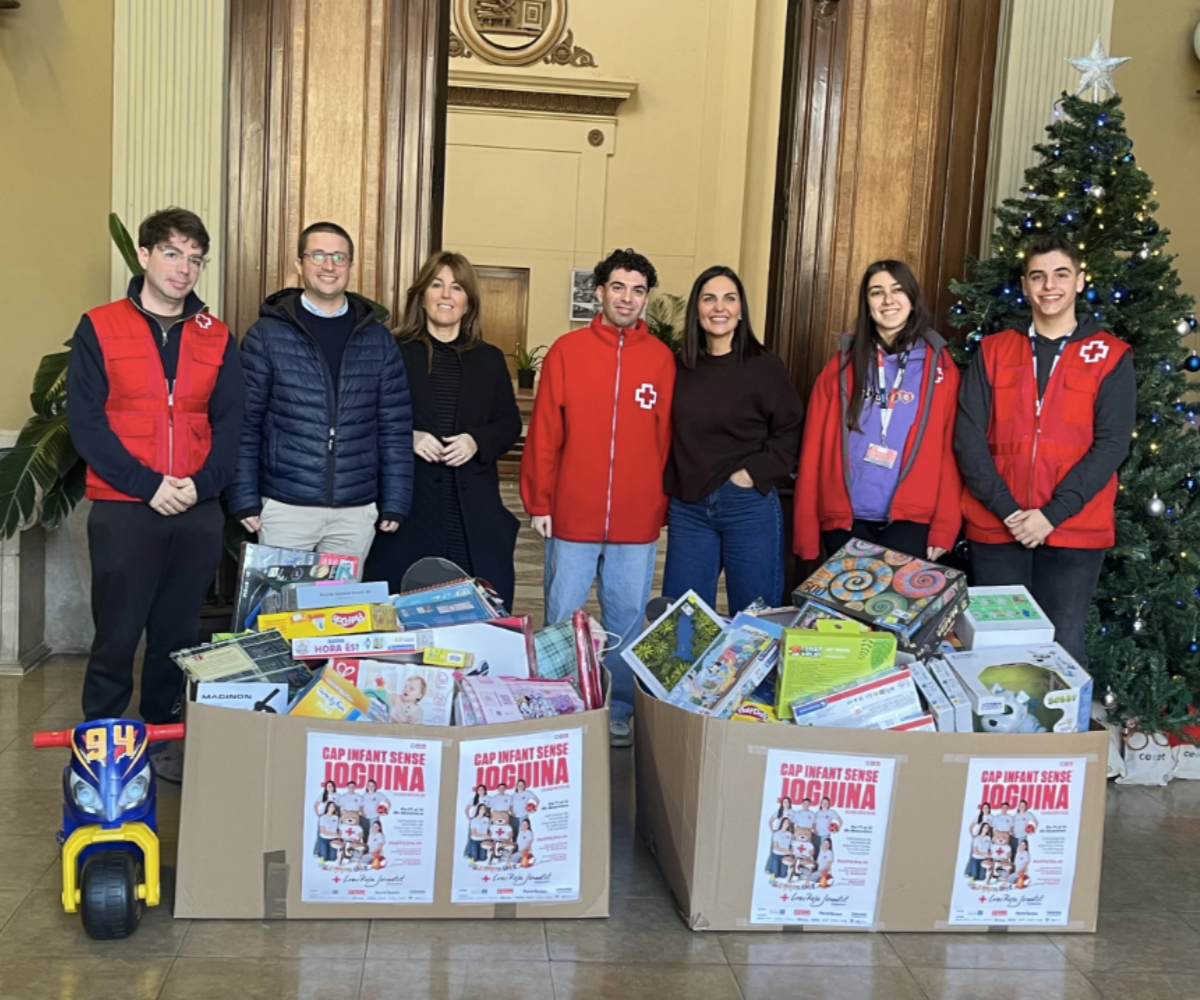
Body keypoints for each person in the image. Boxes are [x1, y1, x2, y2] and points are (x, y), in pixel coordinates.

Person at [66, 207, 244, 784]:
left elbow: (232, 425)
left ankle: (161, 739)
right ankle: (100, 742)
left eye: (195, 258)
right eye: (172, 253)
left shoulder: (215, 336)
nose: (184, 268)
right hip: (125, 508)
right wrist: (149, 486)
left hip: (195, 510)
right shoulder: (100, 326)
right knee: (117, 632)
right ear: (144, 256)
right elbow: (87, 424)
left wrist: (198, 487)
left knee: (176, 633)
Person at [955, 234, 1136, 666]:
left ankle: (1059, 737)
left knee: (1063, 646)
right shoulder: (993, 350)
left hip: (1075, 527)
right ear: (1024, 285)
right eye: (1038, 276)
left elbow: (1111, 445)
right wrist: (1008, 510)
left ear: (1079, 280)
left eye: (1060, 274)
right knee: (997, 651)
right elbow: (968, 437)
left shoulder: (1111, 355)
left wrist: (1051, 515)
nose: (1048, 286)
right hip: (999, 525)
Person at [521, 248, 676, 747]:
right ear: (600, 292)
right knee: (563, 615)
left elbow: (667, 440)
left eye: (637, 290)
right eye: (618, 287)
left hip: (636, 518)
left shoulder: (661, 359)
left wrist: (661, 502)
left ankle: (620, 708)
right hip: (571, 514)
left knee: (627, 620)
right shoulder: (567, 351)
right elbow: (545, 430)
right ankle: (559, 701)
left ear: (646, 298)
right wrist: (539, 502)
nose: (627, 298)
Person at [230, 221, 413, 567]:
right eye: (318, 255)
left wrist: (396, 499)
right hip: (286, 505)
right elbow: (246, 422)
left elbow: (394, 426)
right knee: (278, 616)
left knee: (337, 617)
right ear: (300, 264)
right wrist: (244, 496)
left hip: (355, 511)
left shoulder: (378, 339)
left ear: (351, 267)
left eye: (339, 257)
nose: (329, 266)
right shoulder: (266, 336)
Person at [365, 252, 522, 609]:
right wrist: (409, 437)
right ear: (422, 295)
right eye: (436, 285)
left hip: (474, 516)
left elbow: (508, 422)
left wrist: (475, 440)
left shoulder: (490, 359)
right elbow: (364, 417)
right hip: (409, 513)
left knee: (475, 621)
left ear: (468, 302)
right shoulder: (392, 351)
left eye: (456, 287)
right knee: (406, 616)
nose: (446, 295)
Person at [795, 260, 962, 563]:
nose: (888, 300)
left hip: (912, 521)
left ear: (912, 299)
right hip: (845, 519)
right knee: (848, 612)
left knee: (894, 611)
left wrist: (945, 527)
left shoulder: (942, 368)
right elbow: (812, 452)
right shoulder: (840, 367)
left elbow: (951, 452)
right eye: (876, 292)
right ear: (867, 303)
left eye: (897, 290)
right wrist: (805, 532)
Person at [662, 266, 803, 612]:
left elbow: (792, 427)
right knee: (683, 621)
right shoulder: (677, 367)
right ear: (697, 308)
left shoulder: (764, 366)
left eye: (729, 298)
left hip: (748, 505)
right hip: (689, 506)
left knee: (755, 619)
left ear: (741, 310)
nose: (719, 308)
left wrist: (753, 473)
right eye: (709, 299)